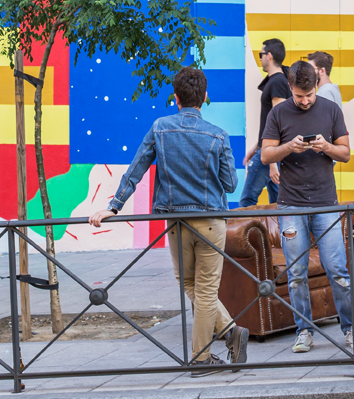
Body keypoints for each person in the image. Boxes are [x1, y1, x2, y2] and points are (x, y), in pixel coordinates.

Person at [88, 66, 248, 376]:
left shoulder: (160, 127)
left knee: (189, 285)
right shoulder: (218, 135)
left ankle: (216, 347)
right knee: (204, 290)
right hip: (211, 221)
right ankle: (223, 340)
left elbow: (137, 167)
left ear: (175, 98)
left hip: (176, 223)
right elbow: (230, 184)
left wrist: (115, 206)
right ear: (205, 97)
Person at [261, 58, 353, 354]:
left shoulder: (331, 109)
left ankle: (350, 329)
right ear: (290, 88)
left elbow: (346, 153)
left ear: (316, 87)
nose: (304, 101)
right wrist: (289, 147)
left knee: (337, 269)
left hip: (326, 203)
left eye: (309, 95)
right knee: (296, 272)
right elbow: (266, 156)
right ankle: (304, 331)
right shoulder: (278, 113)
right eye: (299, 96)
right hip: (290, 205)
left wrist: (326, 147)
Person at [239, 38, 290, 208]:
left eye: (261, 54)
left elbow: (280, 123)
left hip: (269, 154)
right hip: (268, 151)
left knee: (247, 201)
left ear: (269, 56)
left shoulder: (277, 82)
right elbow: (270, 124)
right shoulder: (277, 81)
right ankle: (276, 235)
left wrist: (272, 161)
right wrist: (255, 148)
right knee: (277, 204)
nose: (259, 58)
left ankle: (243, 234)